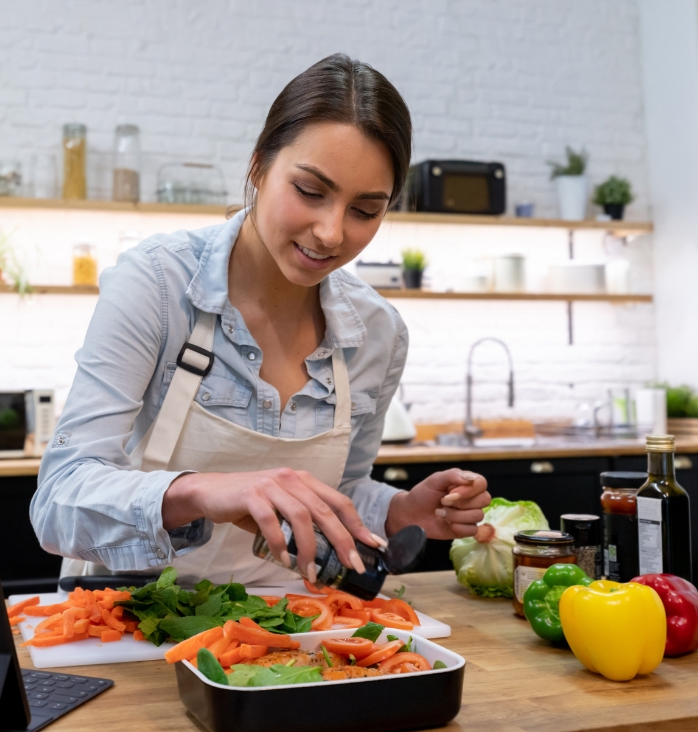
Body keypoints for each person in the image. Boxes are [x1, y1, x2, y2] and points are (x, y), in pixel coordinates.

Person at [32, 54, 491, 588]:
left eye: (365, 211)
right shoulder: (157, 285)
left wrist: (400, 511)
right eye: (310, 192)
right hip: (129, 624)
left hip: (284, 640)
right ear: (258, 166)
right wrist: (201, 491)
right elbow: (58, 500)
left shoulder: (377, 333)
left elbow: (339, 492)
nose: (330, 232)